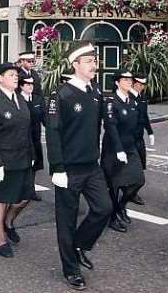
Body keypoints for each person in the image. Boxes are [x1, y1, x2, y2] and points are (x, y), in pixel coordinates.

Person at [46, 42, 112, 291]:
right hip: (69, 169)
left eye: (95, 60)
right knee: (66, 220)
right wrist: (57, 168)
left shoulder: (94, 92)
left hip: (91, 166)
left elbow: (97, 129)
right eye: (88, 61)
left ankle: (80, 244)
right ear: (75, 65)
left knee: (104, 208)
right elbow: (52, 132)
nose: (94, 65)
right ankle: (71, 269)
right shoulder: (61, 95)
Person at [0, 62, 36, 258]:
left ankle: (8, 222)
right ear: (0, 79)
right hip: (2, 159)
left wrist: (32, 156)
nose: (15, 77)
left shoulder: (20, 98)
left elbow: (26, 131)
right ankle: (1, 239)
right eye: (10, 74)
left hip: (22, 157)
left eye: (16, 74)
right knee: (0, 199)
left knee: (25, 196)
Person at [101, 69, 145, 233]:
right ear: (117, 83)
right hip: (114, 148)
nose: (129, 82)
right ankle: (112, 218)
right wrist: (119, 150)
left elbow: (135, 125)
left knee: (138, 180)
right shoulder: (111, 102)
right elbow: (110, 127)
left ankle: (120, 206)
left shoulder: (132, 101)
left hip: (130, 146)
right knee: (114, 185)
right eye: (125, 80)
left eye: (130, 80)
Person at [19, 76, 46, 201]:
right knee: (22, 164)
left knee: (34, 165)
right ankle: (19, 190)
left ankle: (30, 191)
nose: (30, 86)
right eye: (27, 84)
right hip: (21, 138)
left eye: (32, 84)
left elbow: (45, 118)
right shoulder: (17, 99)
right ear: (21, 86)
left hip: (35, 138)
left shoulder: (38, 99)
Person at [129, 73, 154, 205]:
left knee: (141, 165)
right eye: (139, 84)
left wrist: (150, 132)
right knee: (133, 168)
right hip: (129, 138)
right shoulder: (128, 97)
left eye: (143, 85)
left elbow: (144, 116)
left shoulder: (142, 98)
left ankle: (132, 192)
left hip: (139, 138)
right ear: (134, 83)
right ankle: (130, 192)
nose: (141, 87)